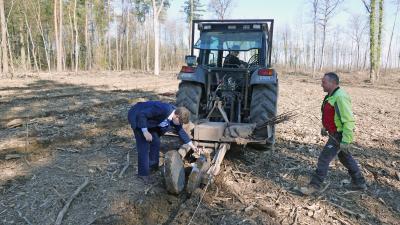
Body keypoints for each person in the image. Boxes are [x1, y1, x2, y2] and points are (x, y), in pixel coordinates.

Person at [300, 72, 367, 195]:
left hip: (339, 135)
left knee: (323, 159)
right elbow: (331, 114)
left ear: (333, 83)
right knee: (345, 158)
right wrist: (325, 127)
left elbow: (348, 120)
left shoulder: (341, 97)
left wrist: (346, 141)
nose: (321, 85)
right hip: (333, 133)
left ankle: (314, 186)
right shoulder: (330, 96)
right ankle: (359, 182)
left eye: (324, 82)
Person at [128, 101, 197, 183]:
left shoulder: (176, 115)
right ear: (177, 116)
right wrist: (145, 132)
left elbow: (180, 131)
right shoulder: (163, 109)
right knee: (144, 147)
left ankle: (152, 166)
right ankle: (143, 174)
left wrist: (192, 146)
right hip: (137, 116)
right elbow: (142, 115)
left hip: (150, 121)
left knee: (156, 141)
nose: (180, 124)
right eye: (181, 122)